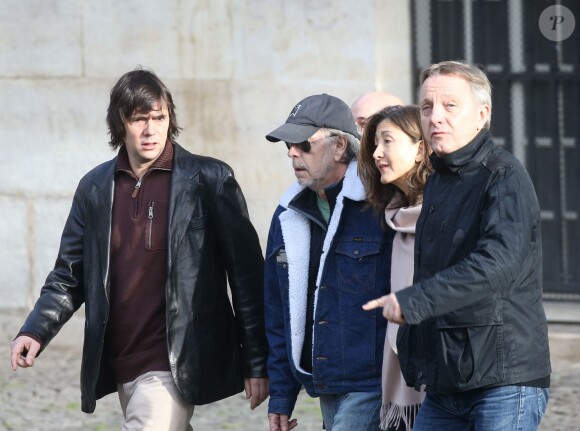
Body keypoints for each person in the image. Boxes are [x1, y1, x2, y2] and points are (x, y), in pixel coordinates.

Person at [10, 68, 269, 430]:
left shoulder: (209, 180)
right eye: (138, 120)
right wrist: (34, 330)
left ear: (170, 119)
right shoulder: (95, 188)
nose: (150, 130)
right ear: (120, 123)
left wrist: (256, 360)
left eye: (158, 118)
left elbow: (248, 278)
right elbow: (70, 275)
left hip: (174, 359)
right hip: (121, 360)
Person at [364, 60, 551, 430]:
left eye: (450, 106)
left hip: (503, 380)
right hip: (447, 381)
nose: (435, 118)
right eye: (428, 107)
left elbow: (496, 264)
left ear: (481, 115)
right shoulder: (439, 180)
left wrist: (414, 301)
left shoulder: (503, 176)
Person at [263, 93, 395, 431]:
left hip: (374, 381)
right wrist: (281, 395)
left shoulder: (380, 202)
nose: (293, 152)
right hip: (325, 381)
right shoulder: (287, 215)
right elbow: (279, 312)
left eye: (304, 144)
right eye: (287, 146)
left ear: (339, 147)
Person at [358, 105, 432, 431]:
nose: (376, 153)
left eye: (387, 141)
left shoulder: (441, 211)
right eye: (375, 143)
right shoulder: (396, 213)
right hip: (403, 361)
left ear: (420, 149)